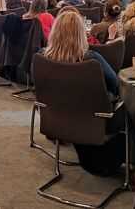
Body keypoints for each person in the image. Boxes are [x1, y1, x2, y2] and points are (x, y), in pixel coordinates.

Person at [43, 11, 126, 176]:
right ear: (81, 34)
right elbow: (116, 85)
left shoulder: (41, 57)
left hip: (56, 117)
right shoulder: (91, 59)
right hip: (93, 118)